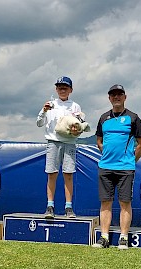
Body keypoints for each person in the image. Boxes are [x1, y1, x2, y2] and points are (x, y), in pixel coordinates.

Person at [92, 84, 141, 250]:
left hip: (125, 168)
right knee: (105, 203)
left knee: (125, 202)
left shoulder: (133, 118)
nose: (116, 97)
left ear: (125, 97)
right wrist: (107, 153)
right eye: (113, 95)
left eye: (119, 94)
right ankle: (104, 237)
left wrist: (131, 160)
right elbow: (99, 141)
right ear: (109, 98)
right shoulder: (103, 118)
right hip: (105, 167)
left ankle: (123, 237)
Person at [36, 76, 82, 219]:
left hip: (69, 142)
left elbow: (80, 126)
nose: (62, 90)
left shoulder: (75, 106)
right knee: (52, 174)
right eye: (60, 87)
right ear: (56, 89)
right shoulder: (50, 104)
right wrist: (43, 110)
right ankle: (50, 206)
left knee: (68, 174)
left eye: (65, 87)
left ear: (71, 90)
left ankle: (68, 208)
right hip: (53, 142)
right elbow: (39, 123)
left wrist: (77, 129)